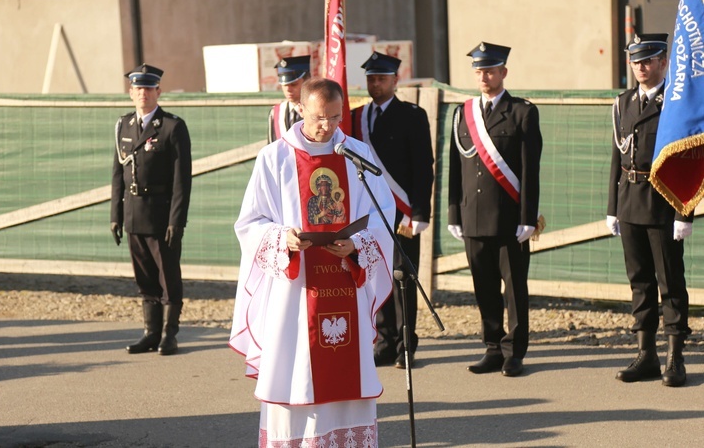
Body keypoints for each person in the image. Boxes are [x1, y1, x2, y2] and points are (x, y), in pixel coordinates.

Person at [230, 77, 395, 446]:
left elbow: (385, 213)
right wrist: (282, 238)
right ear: (301, 109)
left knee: (345, 371)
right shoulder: (274, 158)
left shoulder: (358, 155)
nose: (329, 126)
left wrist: (356, 244)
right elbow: (250, 223)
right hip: (295, 291)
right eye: (320, 117)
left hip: (345, 285)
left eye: (337, 118)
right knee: (297, 370)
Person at [448, 42, 542, 377]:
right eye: (479, 71)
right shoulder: (463, 113)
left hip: (508, 218)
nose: (484, 76)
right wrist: (454, 214)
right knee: (483, 286)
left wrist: (528, 219)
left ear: (503, 72)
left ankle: (514, 351)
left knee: (514, 287)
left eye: (490, 70)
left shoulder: (522, 112)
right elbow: (456, 168)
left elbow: (531, 171)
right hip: (473, 216)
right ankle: (492, 346)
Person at [607, 34, 692, 387]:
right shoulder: (624, 102)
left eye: (648, 60)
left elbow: (689, 160)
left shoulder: (676, 103)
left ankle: (675, 357)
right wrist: (612, 207)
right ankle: (646, 354)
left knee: (669, 282)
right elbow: (617, 156)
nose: (641, 66)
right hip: (629, 201)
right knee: (639, 282)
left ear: (663, 61)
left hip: (663, 202)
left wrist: (684, 211)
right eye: (635, 60)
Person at [351, 52, 435, 370]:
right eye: (371, 79)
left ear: (395, 81)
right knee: (375, 274)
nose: (375, 84)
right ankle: (384, 342)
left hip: (402, 214)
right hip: (369, 214)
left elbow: (423, 168)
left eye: (381, 79)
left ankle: (405, 344)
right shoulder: (358, 117)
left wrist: (419, 213)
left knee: (403, 277)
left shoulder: (412, 115)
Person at [110, 63, 192, 356]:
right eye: (138, 88)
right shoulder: (124, 126)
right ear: (131, 92)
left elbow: (181, 180)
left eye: (149, 88)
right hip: (134, 213)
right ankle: (151, 332)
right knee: (144, 276)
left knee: (167, 276)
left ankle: (170, 334)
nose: (143, 93)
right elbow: (118, 174)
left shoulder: (172, 127)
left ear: (158, 91)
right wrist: (115, 216)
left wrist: (177, 221)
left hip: (162, 214)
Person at [267, 55, 311, 143]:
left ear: (307, 81)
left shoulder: (316, 109)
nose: (288, 89)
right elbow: (271, 146)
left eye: (294, 84)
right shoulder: (276, 112)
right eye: (284, 85)